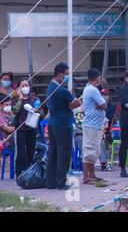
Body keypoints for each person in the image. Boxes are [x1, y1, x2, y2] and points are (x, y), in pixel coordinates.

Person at [46, 62, 81, 190]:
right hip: (62, 124)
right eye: (66, 74)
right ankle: (61, 181)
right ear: (60, 74)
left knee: (53, 152)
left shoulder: (50, 87)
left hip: (53, 123)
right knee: (64, 153)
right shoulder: (61, 90)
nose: (67, 77)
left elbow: (68, 104)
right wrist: (75, 100)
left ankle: (51, 182)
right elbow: (75, 104)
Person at [81, 68, 108, 185]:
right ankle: (86, 176)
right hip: (91, 125)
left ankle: (92, 174)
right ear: (97, 79)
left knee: (94, 151)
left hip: (95, 125)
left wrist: (100, 105)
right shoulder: (92, 90)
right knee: (89, 151)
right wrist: (100, 105)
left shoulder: (90, 89)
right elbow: (104, 105)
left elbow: (102, 105)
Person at [12, 78, 38, 178]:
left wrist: (35, 111)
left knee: (31, 153)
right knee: (21, 154)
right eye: (22, 86)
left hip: (31, 129)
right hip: (20, 130)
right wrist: (20, 99)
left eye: (26, 85)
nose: (25, 87)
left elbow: (40, 113)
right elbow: (15, 112)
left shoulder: (33, 99)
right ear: (18, 88)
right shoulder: (15, 100)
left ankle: (29, 174)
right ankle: (19, 174)